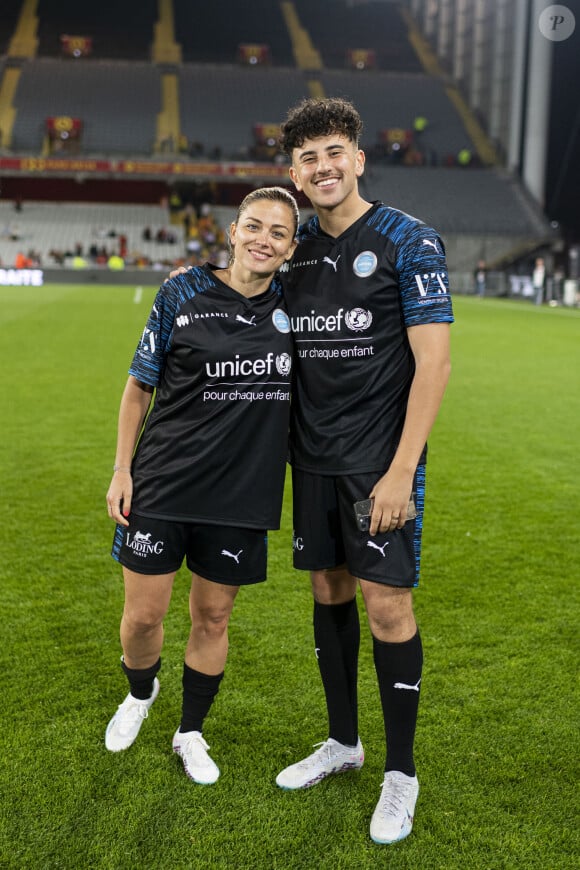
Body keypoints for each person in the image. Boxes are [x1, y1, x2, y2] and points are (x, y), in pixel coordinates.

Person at [275, 98, 453, 845]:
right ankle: (344, 744)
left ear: (358, 158)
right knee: (329, 590)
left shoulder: (410, 239)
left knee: (388, 610)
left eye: (334, 151)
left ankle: (400, 772)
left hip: (379, 465)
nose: (323, 166)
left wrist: (401, 468)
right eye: (308, 157)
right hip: (311, 461)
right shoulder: (297, 251)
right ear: (293, 171)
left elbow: (434, 361)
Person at [104, 187, 298, 784]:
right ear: (232, 231)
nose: (264, 239)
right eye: (254, 226)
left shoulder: (298, 305)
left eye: (279, 233)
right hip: (162, 481)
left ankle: (190, 730)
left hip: (241, 494)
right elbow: (140, 386)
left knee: (213, 618)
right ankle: (141, 692)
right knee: (143, 618)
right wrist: (121, 468)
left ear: (291, 249)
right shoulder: (182, 290)